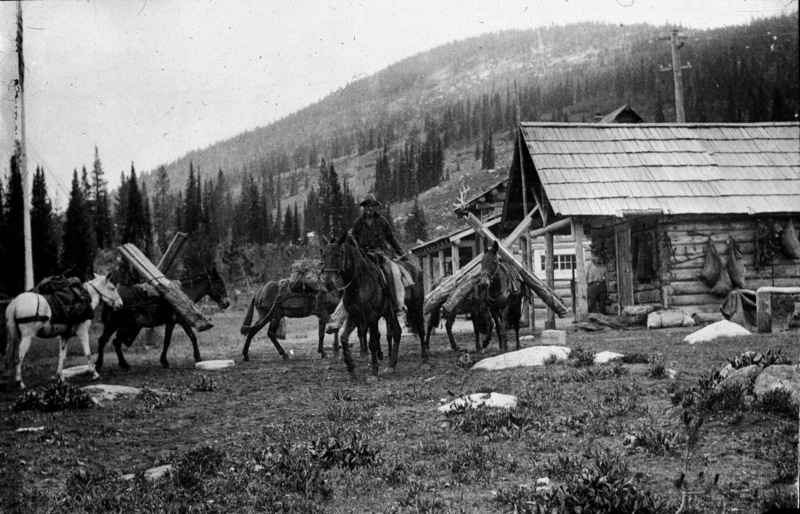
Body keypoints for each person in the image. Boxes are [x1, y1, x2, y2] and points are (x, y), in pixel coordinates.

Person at [326, 193, 409, 333]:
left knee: (394, 271)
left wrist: (401, 252)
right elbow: (352, 242)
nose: (369, 209)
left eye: (371, 206)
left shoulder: (382, 221)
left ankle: (398, 305)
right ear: (363, 208)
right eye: (366, 206)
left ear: (375, 207)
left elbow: (391, 238)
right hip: (364, 257)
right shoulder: (358, 224)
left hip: (381, 255)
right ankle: (339, 316)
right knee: (350, 279)